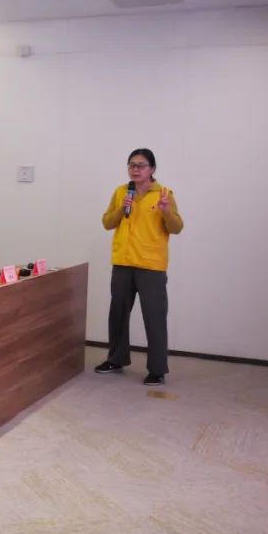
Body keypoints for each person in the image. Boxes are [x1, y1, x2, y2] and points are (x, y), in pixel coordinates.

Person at [95, 148, 183, 386]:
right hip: (123, 262)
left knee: (154, 317)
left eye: (141, 165)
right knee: (118, 314)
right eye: (131, 165)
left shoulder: (164, 194)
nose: (135, 169)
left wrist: (166, 211)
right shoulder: (121, 192)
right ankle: (116, 359)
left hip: (151, 265)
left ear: (152, 169)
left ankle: (157, 369)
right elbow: (107, 223)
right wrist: (120, 208)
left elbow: (176, 228)